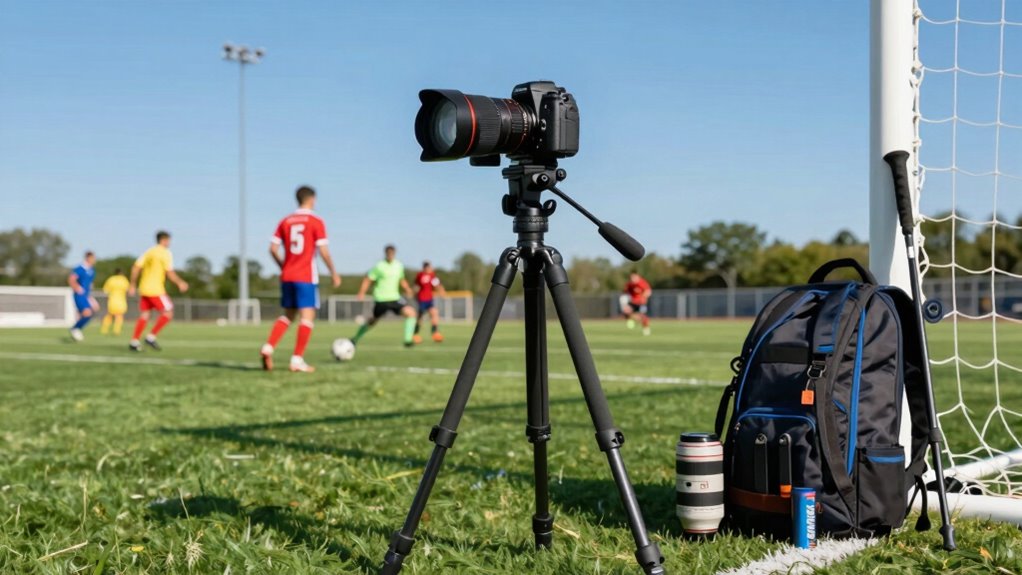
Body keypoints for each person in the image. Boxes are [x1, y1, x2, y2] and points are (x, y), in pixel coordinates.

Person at [260, 185, 341, 373]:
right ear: (312, 199)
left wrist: (283, 266)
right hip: (305, 276)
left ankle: (268, 347)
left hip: (287, 275)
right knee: (307, 316)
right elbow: (323, 251)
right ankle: (297, 359)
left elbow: (272, 249)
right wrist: (334, 273)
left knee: (288, 314)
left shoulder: (285, 221)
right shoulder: (316, 221)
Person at [129, 231, 189, 351]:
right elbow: (169, 272)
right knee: (168, 313)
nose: (169, 243)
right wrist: (180, 282)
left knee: (145, 315)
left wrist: (132, 284)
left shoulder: (148, 252)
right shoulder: (165, 253)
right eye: (168, 240)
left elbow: (136, 268)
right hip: (156, 289)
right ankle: (151, 337)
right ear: (163, 240)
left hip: (144, 288)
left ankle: (134, 341)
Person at [352, 245, 416, 347]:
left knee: (411, 312)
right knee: (372, 321)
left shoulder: (398, 266)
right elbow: (368, 279)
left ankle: (408, 340)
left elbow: (401, 280)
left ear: (394, 254)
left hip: (395, 298)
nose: (390, 255)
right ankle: (355, 338)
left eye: (392, 253)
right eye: (388, 253)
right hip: (381, 299)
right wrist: (361, 292)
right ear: (385, 253)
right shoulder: (379, 266)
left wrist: (408, 289)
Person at [413, 260, 446, 344]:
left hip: (429, 299)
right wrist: (414, 294)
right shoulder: (420, 275)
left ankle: (435, 332)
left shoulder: (432, 276)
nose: (430, 269)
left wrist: (442, 291)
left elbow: (437, 285)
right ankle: (415, 334)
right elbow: (416, 286)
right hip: (421, 299)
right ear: (425, 268)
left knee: (434, 312)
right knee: (420, 317)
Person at [67, 251, 98, 342]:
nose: (95, 260)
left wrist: (91, 297)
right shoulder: (80, 268)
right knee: (87, 313)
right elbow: (71, 279)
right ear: (88, 258)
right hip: (79, 295)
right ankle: (75, 328)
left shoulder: (92, 270)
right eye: (93, 258)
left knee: (91, 312)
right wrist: (77, 288)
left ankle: (76, 328)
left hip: (86, 296)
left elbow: (90, 284)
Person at [100, 268, 130, 335]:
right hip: (121, 300)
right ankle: (116, 331)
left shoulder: (111, 279)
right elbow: (128, 290)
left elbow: (105, 290)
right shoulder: (124, 280)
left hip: (112, 300)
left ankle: (104, 329)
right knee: (119, 315)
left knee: (110, 315)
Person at [623, 270, 652, 336]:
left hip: (641, 303)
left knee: (643, 317)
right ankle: (631, 321)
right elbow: (625, 291)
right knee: (626, 311)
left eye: (633, 277)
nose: (632, 279)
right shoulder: (630, 284)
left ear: (637, 276)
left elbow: (648, 291)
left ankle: (646, 329)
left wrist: (644, 297)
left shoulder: (642, 283)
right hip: (633, 302)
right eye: (631, 277)